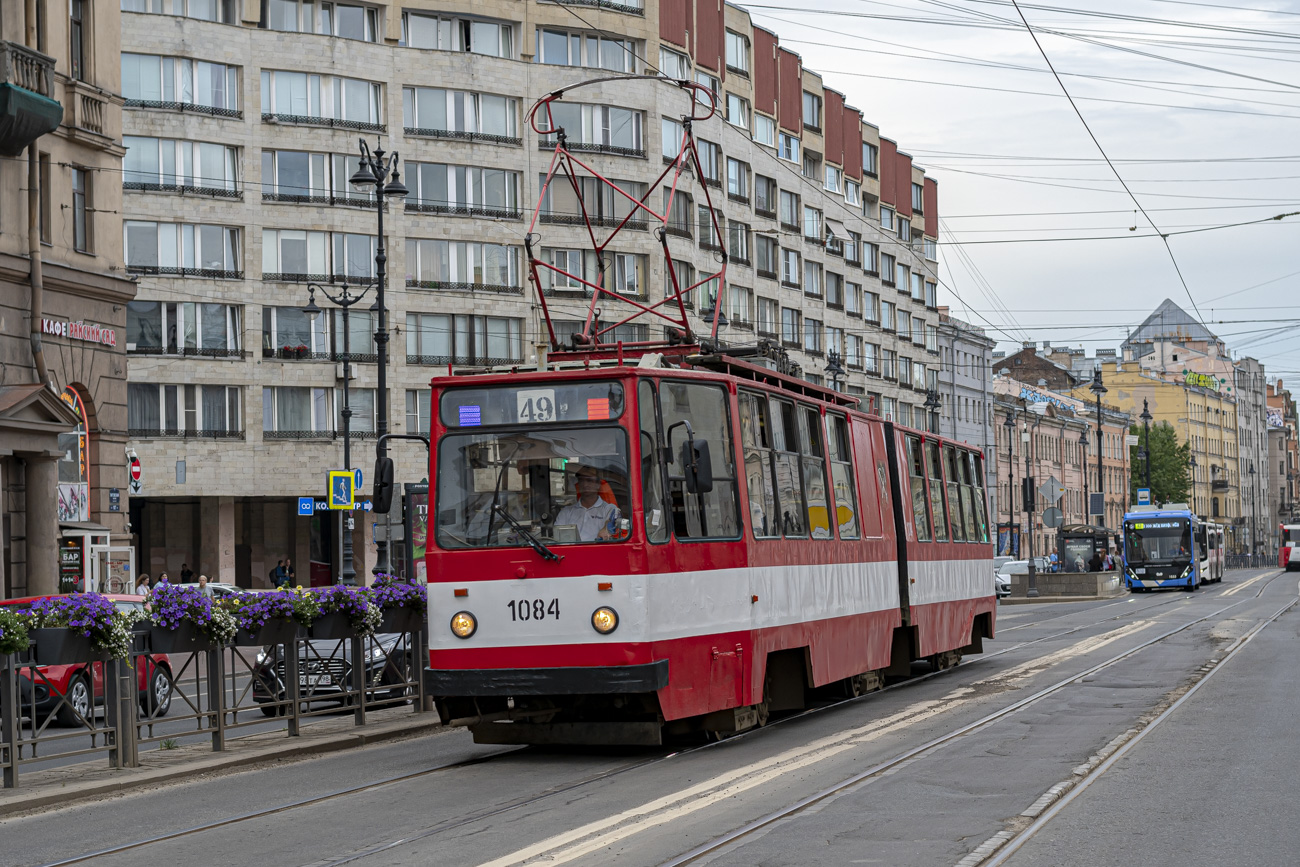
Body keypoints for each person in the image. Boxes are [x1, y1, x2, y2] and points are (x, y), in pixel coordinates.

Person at [554, 465, 620, 542]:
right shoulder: (566, 512)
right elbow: (556, 538)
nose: (585, 484)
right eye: (582, 480)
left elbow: (611, 520)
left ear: (598, 484)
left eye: (589, 480)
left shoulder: (608, 509)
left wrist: (606, 528)